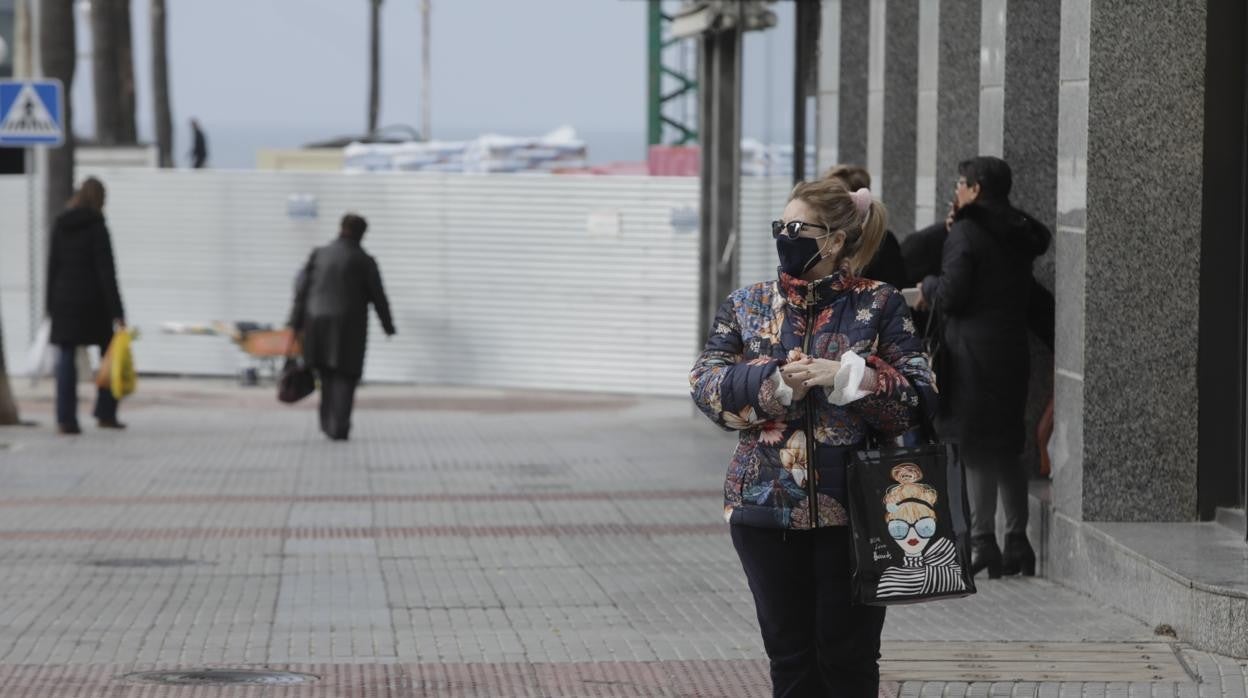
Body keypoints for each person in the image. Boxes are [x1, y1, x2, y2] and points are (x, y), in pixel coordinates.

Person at [690, 178, 937, 696]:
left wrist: (851, 378)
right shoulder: (747, 304)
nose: (785, 236)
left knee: (848, 661)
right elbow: (706, 384)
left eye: (797, 228)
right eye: (780, 226)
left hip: (857, 509)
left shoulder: (880, 305)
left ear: (834, 241)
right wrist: (774, 382)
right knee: (791, 661)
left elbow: (920, 396)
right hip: (763, 508)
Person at [916, 156, 1051, 579]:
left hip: (970, 355)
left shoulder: (968, 234)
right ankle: (1018, 542)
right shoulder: (1017, 233)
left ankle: (982, 543)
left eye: (960, 183)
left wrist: (928, 286)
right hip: (1011, 352)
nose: (956, 190)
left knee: (974, 449)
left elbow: (953, 295)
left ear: (975, 189)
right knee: (1008, 447)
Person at [288, 213, 395, 441]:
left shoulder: (319, 254)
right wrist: (388, 325)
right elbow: (378, 296)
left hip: (315, 324)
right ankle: (340, 425)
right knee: (346, 377)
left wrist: (294, 324)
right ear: (362, 233)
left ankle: (327, 423)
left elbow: (302, 292)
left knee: (326, 375)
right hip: (349, 328)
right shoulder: (364, 260)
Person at [46, 177, 126, 434]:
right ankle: (105, 413)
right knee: (109, 355)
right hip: (94, 304)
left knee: (66, 359)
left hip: (64, 301)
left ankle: (65, 419)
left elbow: (52, 266)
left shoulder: (61, 224)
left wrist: (49, 304)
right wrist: (118, 313)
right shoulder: (97, 227)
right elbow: (106, 272)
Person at [823, 164, 908, 289]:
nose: (825, 204)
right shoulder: (825, 239)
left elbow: (893, 292)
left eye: (834, 199)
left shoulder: (883, 243)